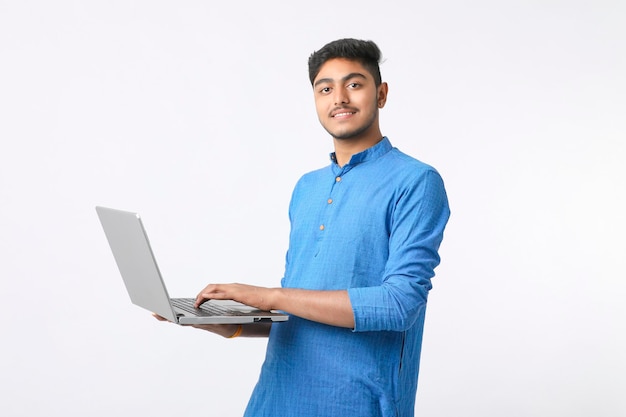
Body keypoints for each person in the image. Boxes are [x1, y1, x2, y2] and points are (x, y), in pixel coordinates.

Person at [158, 38, 450, 417]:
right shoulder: (306, 188)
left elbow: (399, 305)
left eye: (354, 84)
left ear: (381, 94)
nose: (339, 97)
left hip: (357, 402)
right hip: (276, 396)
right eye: (325, 88)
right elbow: (298, 316)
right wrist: (222, 323)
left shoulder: (416, 181)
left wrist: (269, 296)